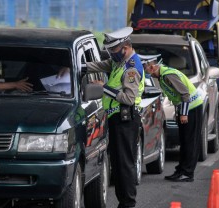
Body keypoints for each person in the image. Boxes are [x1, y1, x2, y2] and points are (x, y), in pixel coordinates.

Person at [86, 27, 145, 208]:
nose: (111, 54)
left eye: (113, 50)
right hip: (117, 119)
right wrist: (75, 65)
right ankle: (123, 202)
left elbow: (128, 97)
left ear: (125, 47)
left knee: (125, 163)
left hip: (126, 119)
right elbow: (97, 65)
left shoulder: (131, 68)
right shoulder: (118, 62)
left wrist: (104, 87)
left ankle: (128, 203)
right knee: (118, 164)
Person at [138, 54, 203, 182]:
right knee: (184, 141)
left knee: (190, 141)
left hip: (192, 108)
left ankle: (188, 173)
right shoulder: (162, 76)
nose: (144, 72)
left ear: (152, 67)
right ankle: (181, 170)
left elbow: (185, 94)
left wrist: (183, 114)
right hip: (185, 108)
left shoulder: (168, 75)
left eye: (145, 69)